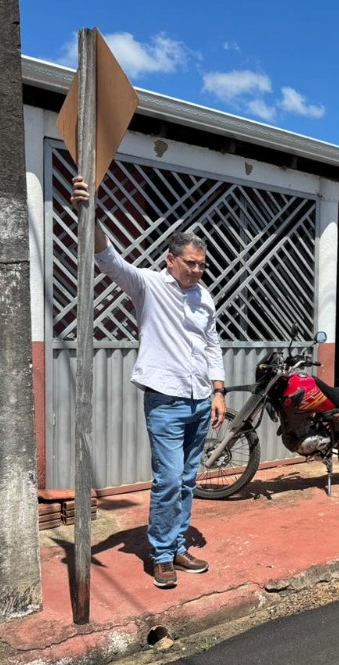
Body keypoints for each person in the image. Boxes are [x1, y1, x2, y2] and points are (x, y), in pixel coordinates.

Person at [71, 176, 226, 589]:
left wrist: (219, 390)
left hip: (199, 400)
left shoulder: (204, 297)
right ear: (170, 260)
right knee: (169, 478)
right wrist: (90, 211)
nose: (196, 269)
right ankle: (160, 554)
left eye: (201, 263)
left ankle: (177, 545)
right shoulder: (149, 285)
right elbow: (109, 259)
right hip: (166, 400)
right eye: (190, 262)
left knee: (189, 479)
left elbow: (212, 343)